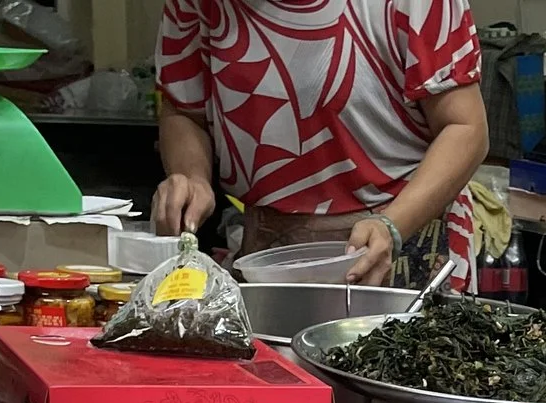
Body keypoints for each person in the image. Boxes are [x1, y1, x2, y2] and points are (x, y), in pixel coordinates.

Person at [150, 0, 490, 288]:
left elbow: (465, 128)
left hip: (404, 239)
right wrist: (192, 176)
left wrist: (393, 225)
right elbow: (183, 108)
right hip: (269, 251)